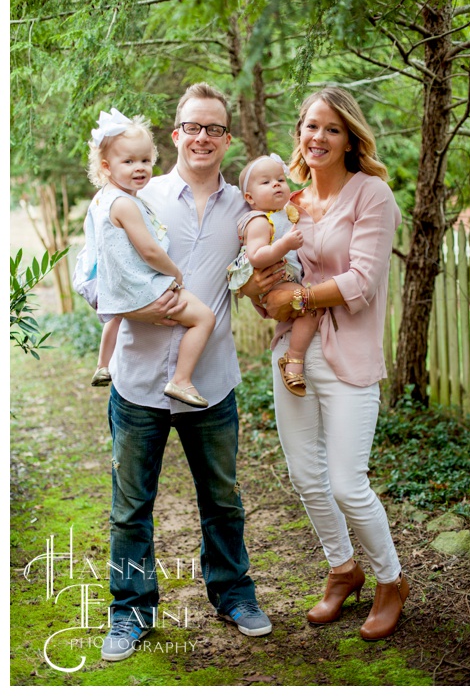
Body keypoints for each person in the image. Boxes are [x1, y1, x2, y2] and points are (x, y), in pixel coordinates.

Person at [99, 83, 273, 662]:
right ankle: (130, 611)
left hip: (211, 381)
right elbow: (92, 275)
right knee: (130, 507)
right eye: (192, 126)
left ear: (227, 140)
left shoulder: (245, 212)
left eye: (215, 129)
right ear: (176, 133)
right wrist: (135, 307)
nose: (203, 137)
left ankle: (233, 594)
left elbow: (265, 281)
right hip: (139, 380)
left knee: (222, 499)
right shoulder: (135, 193)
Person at [257, 87, 406, 640]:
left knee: (346, 482)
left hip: (350, 354)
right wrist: (261, 289)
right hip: (291, 354)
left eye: (331, 129)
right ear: (300, 133)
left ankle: (391, 580)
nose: (317, 138)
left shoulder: (372, 195)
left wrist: (294, 299)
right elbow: (265, 262)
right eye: (310, 127)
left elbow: (362, 283)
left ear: (349, 139)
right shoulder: (289, 201)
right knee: (304, 475)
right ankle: (344, 569)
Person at [84, 108, 215, 408]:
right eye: (128, 161)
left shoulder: (102, 200)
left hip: (120, 291)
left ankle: (103, 364)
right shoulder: (125, 204)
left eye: (145, 160)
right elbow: (150, 251)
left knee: (115, 319)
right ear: (106, 166)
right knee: (204, 318)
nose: (139, 168)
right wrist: (175, 273)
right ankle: (181, 380)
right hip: (144, 287)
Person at [228, 153, 318, 396]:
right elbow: (256, 256)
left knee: (307, 308)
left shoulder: (282, 214)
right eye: (266, 182)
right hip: (273, 283)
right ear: (250, 198)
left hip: (282, 279)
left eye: (280, 179)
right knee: (311, 307)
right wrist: (284, 245)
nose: (276, 184)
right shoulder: (259, 220)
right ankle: (293, 361)